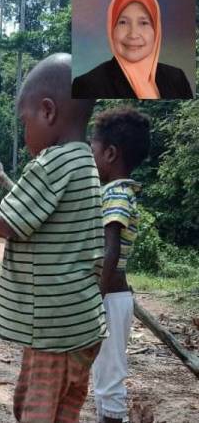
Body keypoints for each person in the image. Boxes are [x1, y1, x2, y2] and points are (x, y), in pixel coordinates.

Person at [0, 53, 107, 423]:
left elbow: (10, 221)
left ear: (47, 112)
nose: (24, 132)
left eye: (24, 121)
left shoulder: (51, 164)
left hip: (54, 328)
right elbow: (46, 230)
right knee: (63, 409)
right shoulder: (85, 163)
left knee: (35, 410)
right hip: (81, 325)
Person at [91, 108, 150, 423]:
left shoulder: (116, 194)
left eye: (93, 152)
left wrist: (96, 299)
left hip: (110, 299)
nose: (91, 159)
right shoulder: (117, 192)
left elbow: (110, 249)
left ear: (110, 153)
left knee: (109, 379)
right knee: (104, 376)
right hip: (112, 298)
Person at [72, 0, 193, 99]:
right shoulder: (87, 85)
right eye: (123, 22)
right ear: (111, 29)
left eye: (144, 23)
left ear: (156, 30)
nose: (133, 34)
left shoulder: (177, 78)